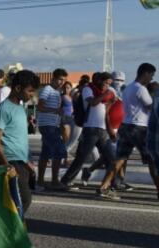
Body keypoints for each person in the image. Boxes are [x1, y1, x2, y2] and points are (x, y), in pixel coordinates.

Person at [97, 63, 158, 198]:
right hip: (139, 127)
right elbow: (151, 107)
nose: (152, 79)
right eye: (151, 75)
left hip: (125, 126)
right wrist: (154, 92)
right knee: (152, 160)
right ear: (145, 73)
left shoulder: (128, 88)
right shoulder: (141, 89)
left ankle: (104, 187)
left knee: (119, 159)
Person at [0, 70, 41, 212]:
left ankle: (11, 229)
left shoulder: (20, 108)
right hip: (11, 162)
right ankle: (9, 230)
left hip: (21, 163)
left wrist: (27, 161)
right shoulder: (4, 109)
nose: (32, 95)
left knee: (17, 202)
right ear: (18, 88)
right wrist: (6, 165)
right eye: (30, 91)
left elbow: (20, 139)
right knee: (23, 199)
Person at [61, 72, 117, 190]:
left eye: (109, 84)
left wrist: (111, 100)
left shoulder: (104, 92)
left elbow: (108, 108)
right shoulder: (88, 89)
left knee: (111, 158)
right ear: (99, 80)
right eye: (106, 83)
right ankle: (66, 180)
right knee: (81, 157)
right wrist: (106, 94)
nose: (107, 85)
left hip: (102, 130)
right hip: (90, 129)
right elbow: (93, 102)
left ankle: (111, 184)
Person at [35, 68, 68, 190]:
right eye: (60, 79)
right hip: (47, 125)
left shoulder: (56, 92)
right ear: (53, 78)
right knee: (59, 151)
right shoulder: (47, 90)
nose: (61, 82)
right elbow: (40, 106)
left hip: (52, 125)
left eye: (64, 80)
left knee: (46, 153)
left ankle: (40, 180)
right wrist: (55, 111)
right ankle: (55, 181)